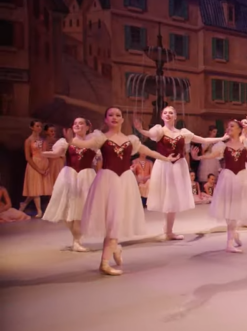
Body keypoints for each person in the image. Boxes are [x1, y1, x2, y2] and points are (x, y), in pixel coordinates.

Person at [66, 107, 179, 276]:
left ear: (122, 119)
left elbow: (148, 151)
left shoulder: (130, 140)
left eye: (118, 115)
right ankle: (105, 262)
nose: (114, 117)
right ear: (106, 120)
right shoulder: (101, 138)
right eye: (110, 115)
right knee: (111, 220)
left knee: (116, 219)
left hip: (124, 181)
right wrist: (70, 140)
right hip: (107, 180)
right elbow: (83, 143)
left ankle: (115, 247)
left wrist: (166, 159)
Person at [134, 106, 228, 240]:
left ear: (175, 116)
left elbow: (203, 140)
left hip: (178, 166)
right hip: (164, 165)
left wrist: (222, 138)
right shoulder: (159, 131)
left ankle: (169, 230)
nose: (168, 115)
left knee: (173, 198)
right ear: (161, 116)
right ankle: (167, 230)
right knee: (167, 197)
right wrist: (139, 129)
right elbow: (149, 134)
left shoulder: (183, 133)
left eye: (171, 113)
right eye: (165, 113)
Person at [195, 120, 247, 252]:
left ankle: (234, 233)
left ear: (239, 129)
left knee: (237, 207)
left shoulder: (245, 144)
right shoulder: (223, 145)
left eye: (232, 126)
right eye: (228, 126)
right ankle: (230, 242)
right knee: (229, 208)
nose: (229, 128)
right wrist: (198, 157)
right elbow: (212, 155)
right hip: (228, 177)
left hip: (242, 177)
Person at [41, 117, 99, 251]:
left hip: (86, 177)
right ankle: (76, 238)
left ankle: (77, 241)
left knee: (81, 210)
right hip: (70, 176)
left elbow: (100, 157)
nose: (77, 125)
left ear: (87, 126)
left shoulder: (93, 142)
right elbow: (56, 153)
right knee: (68, 211)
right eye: (75, 123)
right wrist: (42, 153)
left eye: (81, 123)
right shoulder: (65, 142)